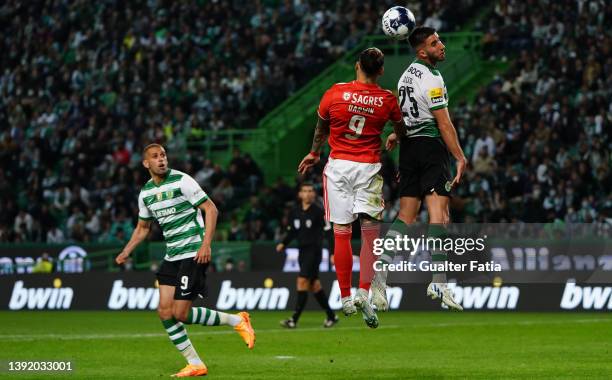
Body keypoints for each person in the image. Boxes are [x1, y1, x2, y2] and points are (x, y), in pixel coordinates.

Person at [115, 144, 255, 378]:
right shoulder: (146, 193)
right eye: (155, 157)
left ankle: (236, 320)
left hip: (193, 252)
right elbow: (142, 228)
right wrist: (126, 251)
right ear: (145, 163)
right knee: (164, 311)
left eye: (163, 155)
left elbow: (211, 210)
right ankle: (196, 364)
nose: (161, 160)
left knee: (180, 314)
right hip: (172, 255)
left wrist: (205, 244)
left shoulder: (183, 181)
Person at [298, 47, 406, 328]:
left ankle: (345, 297)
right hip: (368, 168)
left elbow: (321, 128)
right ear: (381, 70)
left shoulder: (335, 92)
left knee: (341, 233)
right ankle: (363, 292)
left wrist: (313, 153)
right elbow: (402, 128)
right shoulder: (387, 100)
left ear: (357, 66)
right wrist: (393, 135)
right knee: (371, 235)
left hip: (337, 168)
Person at [371, 27, 468, 311]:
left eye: (440, 40)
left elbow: (402, 114)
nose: (442, 46)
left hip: (409, 148)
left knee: (406, 216)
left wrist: (396, 135)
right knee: (440, 214)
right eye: (435, 43)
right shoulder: (433, 78)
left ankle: (380, 276)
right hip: (430, 148)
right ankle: (438, 280)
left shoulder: (405, 76)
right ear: (422, 51)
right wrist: (459, 156)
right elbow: (444, 124)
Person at [276, 183, 338, 329]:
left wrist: (333, 253)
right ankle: (331, 316)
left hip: (314, 251)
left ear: (314, 194)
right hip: (302, 251)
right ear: (300, 194)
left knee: (302, 280)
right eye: (305, 191)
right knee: (314, 285)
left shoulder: (319, 211)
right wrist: (283, 243)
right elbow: (292, 231)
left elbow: (329, 233)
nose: (308, 193)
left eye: (310, 191)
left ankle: (293, 319)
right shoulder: (295, 212)